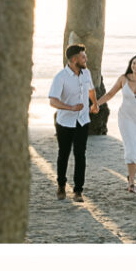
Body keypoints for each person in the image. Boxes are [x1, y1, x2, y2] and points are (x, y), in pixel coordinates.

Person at [97, 55, 136, 192]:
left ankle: (131, 177)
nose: (135, 66)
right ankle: (131, 182)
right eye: (133, 63)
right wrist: (96, 104)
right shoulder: (123, 79)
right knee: (131, 147)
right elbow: (110, 94)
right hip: (125, 117)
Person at [48, 43, 98, 202]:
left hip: (83, 121)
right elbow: (53, 101)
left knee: (80, 155)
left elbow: (90, 90)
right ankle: (61, 186)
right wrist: (70, 107)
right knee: (63, 154)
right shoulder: (60, 77)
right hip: (65, 122)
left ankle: (78, 191)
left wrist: (95, 103)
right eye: (83, 56)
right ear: (74, 59)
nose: (86, 59)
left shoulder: (86, 73)